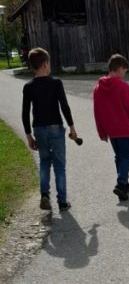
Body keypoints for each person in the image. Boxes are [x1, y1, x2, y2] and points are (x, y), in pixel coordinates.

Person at [21, 47, 78, 211]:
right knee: (59, 165)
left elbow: (25, 113)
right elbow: (64, 107)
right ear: (45, 64)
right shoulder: (56, 83)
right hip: (55, 128)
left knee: (45, 162)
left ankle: (45, 195)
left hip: (39, 130)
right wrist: (72, 128)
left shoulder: (28, 87)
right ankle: (62, 201)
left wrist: (29, 136)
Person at [93, 53, 129, 201]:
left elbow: (97, 111)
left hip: (111, 130)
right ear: (119, 69)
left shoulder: (98, 88)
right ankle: (121, 183)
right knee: (126, 158)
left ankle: (124, 183)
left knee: (119, 157)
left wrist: (101, 131)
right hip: (124, 128)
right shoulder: (122, 86)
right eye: (124, 70)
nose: (125, 74)